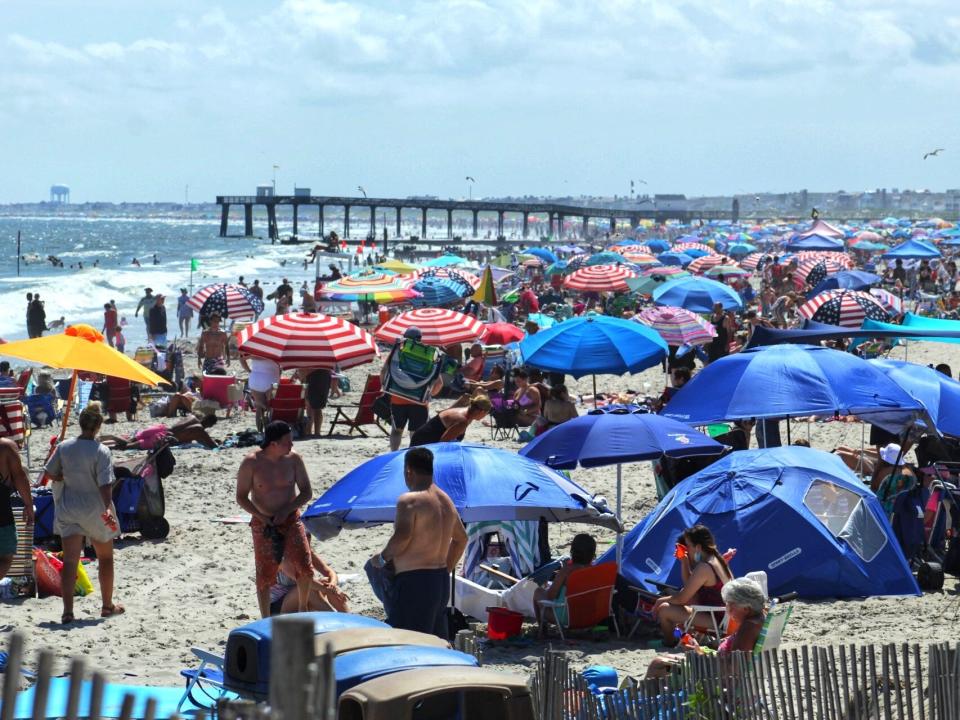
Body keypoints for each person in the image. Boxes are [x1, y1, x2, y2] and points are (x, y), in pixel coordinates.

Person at [370, 447, 467, 638]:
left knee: (408, 641)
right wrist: (446, 567)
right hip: (439, 582)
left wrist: (381, 559)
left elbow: (403, 537)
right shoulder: (446, 500)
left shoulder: (410, 501)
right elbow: (461, 538)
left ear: (408, 471)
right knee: (435, 642)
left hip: (414, 582)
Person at [44, 404, 124, 624]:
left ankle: (68, 612)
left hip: (69, 507)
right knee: (105, 558)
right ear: (98, 426)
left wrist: (63, 477)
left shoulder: (64, 446)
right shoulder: (101, 451)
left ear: (81, 424)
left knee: (70, 561)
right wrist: (107, 508)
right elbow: (105, 484)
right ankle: (107, 605)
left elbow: (49, 472)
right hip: (94, 508)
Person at [236, 421, 314, 618]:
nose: (291, 445)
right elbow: (241, 497)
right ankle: (265, 617)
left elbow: (306, 492)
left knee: (304, 566)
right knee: (265, 573)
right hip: (263, 523)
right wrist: (262, 516)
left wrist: (287, 509)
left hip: (290, 519)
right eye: (287, 442)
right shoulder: (251, 462)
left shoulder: (294, 459)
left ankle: (302, 608)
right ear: (273, 444)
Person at [645, 577, 767, 678]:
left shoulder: (748, 628)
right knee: (666, 659)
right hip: (714, 665)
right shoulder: (759, 618)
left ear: (745, 608)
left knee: (658, 664)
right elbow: (737, 651)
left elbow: (733, 668)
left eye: (730, 606)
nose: (728, 610)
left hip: (713, 675)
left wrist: (699, 655)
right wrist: (705, 648)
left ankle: (642, 698)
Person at [652, 524, 734, 645]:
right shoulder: (716, 559)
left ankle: (669, 642)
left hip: (717, 618)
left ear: (698, 547)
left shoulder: (704, 567)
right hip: (724, 616)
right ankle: (679, 638)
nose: (687, 550)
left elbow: (682, 599)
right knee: (681, 604)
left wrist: (659, 601)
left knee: (664, 609)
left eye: (688, 546)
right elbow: (690, 588)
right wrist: (684, 562)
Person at [381, 327, 444, 451]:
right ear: (420, 339)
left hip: (397, 398)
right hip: (419, 401)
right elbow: (439, 382)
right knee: (415, 433)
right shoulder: (429, 354)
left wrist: (385, 388)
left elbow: (384, 371)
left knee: (396, 430)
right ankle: (412, 456)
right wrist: (430, 395)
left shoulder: (398, 351)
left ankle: (394, 453)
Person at [533, 533, 596, 637]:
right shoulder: (596, 571)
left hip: (567, 617)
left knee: (538, 592)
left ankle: (542, 627)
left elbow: (550, 596)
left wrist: (551, 586)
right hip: (589, 617)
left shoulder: (567, 571)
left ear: (573, 550)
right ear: (592, 553)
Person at [270, 544, 350, 615]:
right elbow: (303, 580)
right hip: (278, 606)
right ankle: (334, 616)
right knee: (309, 589)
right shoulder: (282, 557)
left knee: (327, 582)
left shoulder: (306, 550)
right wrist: (329, 589)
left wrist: (332, 585)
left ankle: (349, 618)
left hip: (300, 599)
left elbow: (330, 572)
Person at [0, 437, 34, 583]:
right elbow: (19, 476)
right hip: (1, 511)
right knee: (6, 557)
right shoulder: (5, 446)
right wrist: (28, 505)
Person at [101, 414, 219, 450]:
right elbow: (212, 445)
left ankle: (104, 442)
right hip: (161, 438)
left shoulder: (191, 417)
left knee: (129, 441)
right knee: (127, 446)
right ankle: (111, 443)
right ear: (209, 425)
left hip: (160, 428)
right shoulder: (200, 431)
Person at [410, 395, 492, 446]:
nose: (485, 416)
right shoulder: (462, 421)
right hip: (423, 443)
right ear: (482, 411)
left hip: (421, 437)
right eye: (487, 413)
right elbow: (443, 444)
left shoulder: (464, 411)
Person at [872, 443, 917, 516]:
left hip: (883, 510)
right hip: (901, 512)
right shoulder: (911, 475)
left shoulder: (886, 474)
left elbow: (873, 488)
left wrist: (878, 467)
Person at [240, 355, 280, 431]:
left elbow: (241, 359)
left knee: (259, 407)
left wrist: (249, 371)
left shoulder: (254, 347)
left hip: (255, 378)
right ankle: (271, 429)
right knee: (271, 406)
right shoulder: (275, 348)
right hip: (271, 378)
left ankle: (259, 431)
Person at [301, 367, 332, 436]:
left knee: (314, 406)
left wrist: (302, 374)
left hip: (316, 377)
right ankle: (314, 431)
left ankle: (313, 432)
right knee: (314, 406)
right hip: (322, 376)